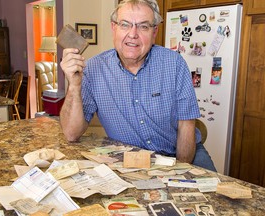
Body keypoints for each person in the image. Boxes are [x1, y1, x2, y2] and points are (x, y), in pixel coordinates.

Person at [59, 0, 216, 171]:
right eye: (125, 25)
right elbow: (71, 133)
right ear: (114, 28)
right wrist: (74, 85)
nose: (133, 34)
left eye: (143, 27)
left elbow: (186, 125)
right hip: (130, 160)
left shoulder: (175, 64)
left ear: (154, 31)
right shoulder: (94, 69)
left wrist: (178, 172)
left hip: (182, 154)